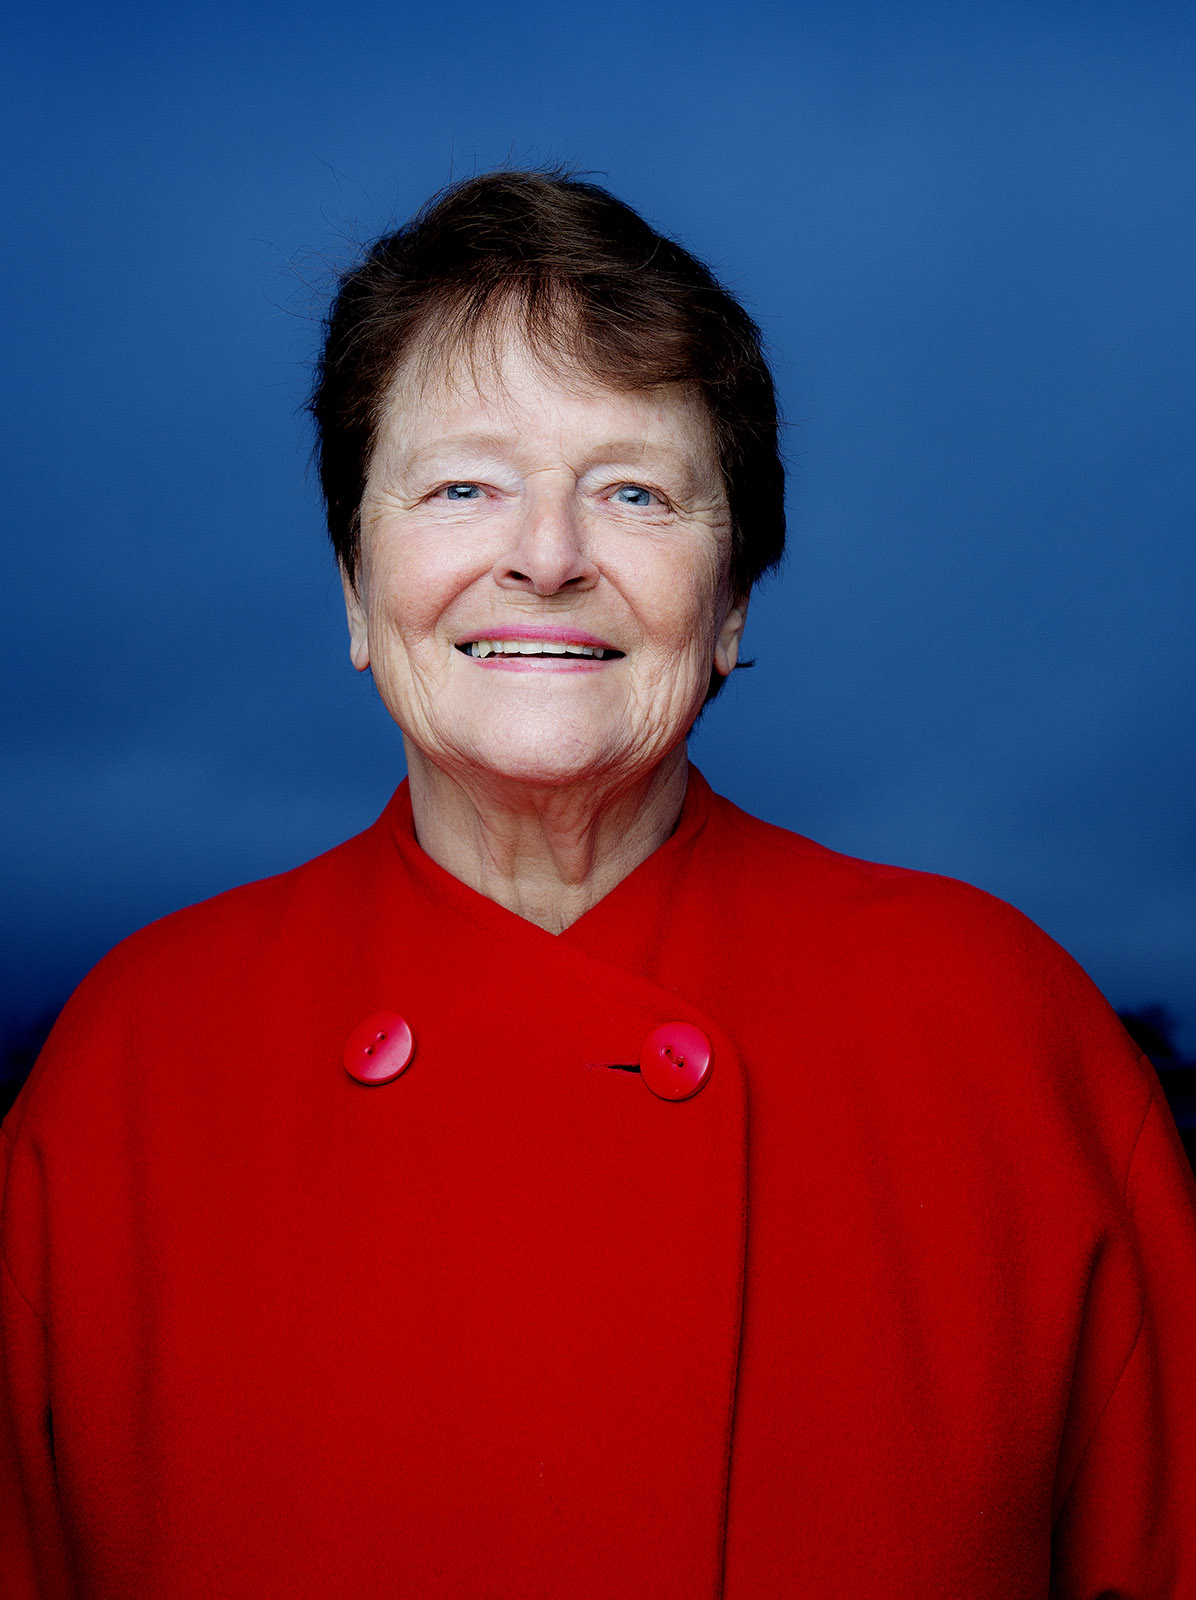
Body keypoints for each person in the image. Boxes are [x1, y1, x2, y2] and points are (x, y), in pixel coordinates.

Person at [2, 169, 1194, 1599]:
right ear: (356, 592)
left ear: (731, 604)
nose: (549, 557)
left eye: (634, 491)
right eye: (463, 486)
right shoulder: (133, 1061)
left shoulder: (1002, 1026)